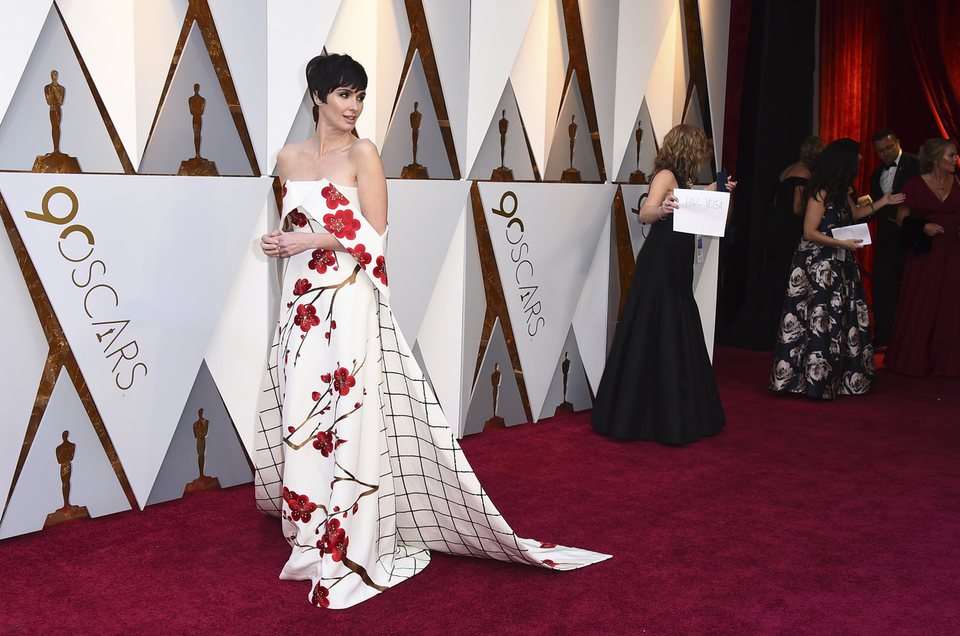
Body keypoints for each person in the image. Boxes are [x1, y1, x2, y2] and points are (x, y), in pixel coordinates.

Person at [255, 53, 607, 610]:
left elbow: (374, 237)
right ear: (318, 97)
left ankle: (346, 539)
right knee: (303, 412)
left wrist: (311, 241)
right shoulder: (287, 158)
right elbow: (289, 229)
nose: (354, 107)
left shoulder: (362, 154)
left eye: (360, 96)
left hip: (347, 303)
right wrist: (280, 243)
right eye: (344, 95)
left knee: (344, 418)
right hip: (300, 308)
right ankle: (308, 534)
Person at [591, 124, 733, 443]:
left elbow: (690, 200)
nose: (704, 154)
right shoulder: (665, 175)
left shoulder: (681, 180)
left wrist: (716, 189)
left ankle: (668, 410)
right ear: (689, 148)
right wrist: (663, 209)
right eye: (701, 149)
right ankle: (654, 415)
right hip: (661, 260)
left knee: (671, 322)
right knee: (659, 323)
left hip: (675, 259)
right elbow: (645, 213)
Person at [769, 138, 905, 399]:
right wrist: (839, 242)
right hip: (817, 264)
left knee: (837, 317)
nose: (861, 160)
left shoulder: (841, 189)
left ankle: (834, 379)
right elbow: (808, 232)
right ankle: (809, 381)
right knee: (817, 318)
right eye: (857, 156)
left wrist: (883, 202)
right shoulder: (819, 191)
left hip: (839, 261)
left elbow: (853, 214)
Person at [726, 136, 824, 350]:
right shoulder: (805, 174)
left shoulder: (788, 169)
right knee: (782, 278)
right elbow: (797, 207)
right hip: (788, 228)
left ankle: (758, 326)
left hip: (774, 225)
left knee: (772, 276)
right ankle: (769, 330)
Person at [885, 137, 960, 376]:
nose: (955, 159)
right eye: (950, 155)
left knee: (951, 303)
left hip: (954, 251)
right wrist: (923, 227)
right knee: (924, 302)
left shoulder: (958, 181)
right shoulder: (915, 184)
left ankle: (949, 363)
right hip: (926, 254)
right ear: (936, 158)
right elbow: (901, 219)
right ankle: (916, 360)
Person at [867, 129, 919, 346]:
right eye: (880, 151)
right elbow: (874, 206)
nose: (886, 153)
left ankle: (912, 338)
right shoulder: (875, 173)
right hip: (886, 238)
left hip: (912, 235)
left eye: (889, 147)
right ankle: (883, 336)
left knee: (912, 288)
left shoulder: (916, 164)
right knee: (883, 286)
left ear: (898, 142)